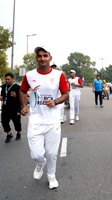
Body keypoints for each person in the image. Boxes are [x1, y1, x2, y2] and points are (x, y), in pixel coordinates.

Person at [19, 46, 69, 189]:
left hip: (52, 119)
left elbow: (66, 93)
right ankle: (41, 162)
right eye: (39, 56)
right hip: (36, 119)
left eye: (45, 55)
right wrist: (23, 106)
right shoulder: (29, 75)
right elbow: (22, 91)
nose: (42, 58)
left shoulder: (59, 75)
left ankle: (51, 176)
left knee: (52, 153)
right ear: (36, 58)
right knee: (36, 154)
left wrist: (55, 101)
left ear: (50, 58)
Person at [0, 72, 22, 143]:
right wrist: (1, 97)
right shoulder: (4, 86)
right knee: (4, 122)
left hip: (15, 108)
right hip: (6, 108)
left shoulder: (17, 87)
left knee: (17, 123)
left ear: (12, 79)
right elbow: (3, 95)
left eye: (8, 79)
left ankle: (18, 133)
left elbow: (22, 98)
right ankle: (9, 134)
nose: (7, 81)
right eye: (6, 79)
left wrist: (16, 96)